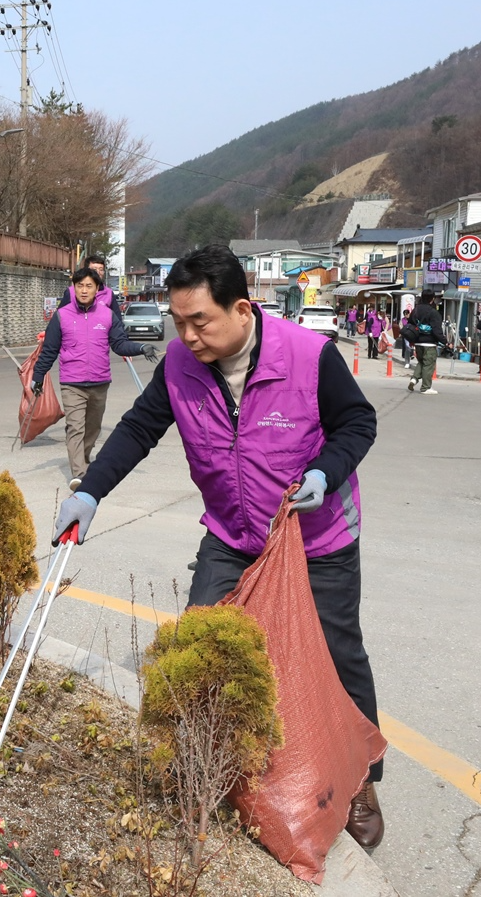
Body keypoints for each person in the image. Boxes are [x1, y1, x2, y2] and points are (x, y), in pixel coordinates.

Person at [50, 244, 384, 848]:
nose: (187, 335)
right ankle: (208, 769)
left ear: (242, 309)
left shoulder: (310, 355)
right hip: (233, 533)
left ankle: (361, 779)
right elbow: (140, 428)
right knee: (202, 643)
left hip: (317, 537)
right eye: (178, 321)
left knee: (337, 655)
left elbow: (358, 423)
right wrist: (91, 491)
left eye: (199, 321)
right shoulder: (181, 365)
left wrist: (325, 472)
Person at [31, 267, 159, 490]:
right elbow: (49, 350)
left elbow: (119, 344)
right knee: (75, 427)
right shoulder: (62, 316)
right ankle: (79, 474)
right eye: (79, 285)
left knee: (93, 428)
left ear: (97, 288)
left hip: (100, 382)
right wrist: (38, 376)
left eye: (88, 286)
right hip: (72, 383)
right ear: (73, 288)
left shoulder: (107, 315)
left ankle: (83, 459)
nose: (83, 290)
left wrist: (141, 347)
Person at [403, 290, 445, 394]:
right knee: (428, 365)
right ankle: (426, 387)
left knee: (421, 362)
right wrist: (445, 341)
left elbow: (410, 324)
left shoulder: (415, 310)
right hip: (429, 343)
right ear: (432, 299)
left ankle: (414, 379)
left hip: (417, 342)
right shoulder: (433, 312)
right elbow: (437, 330)